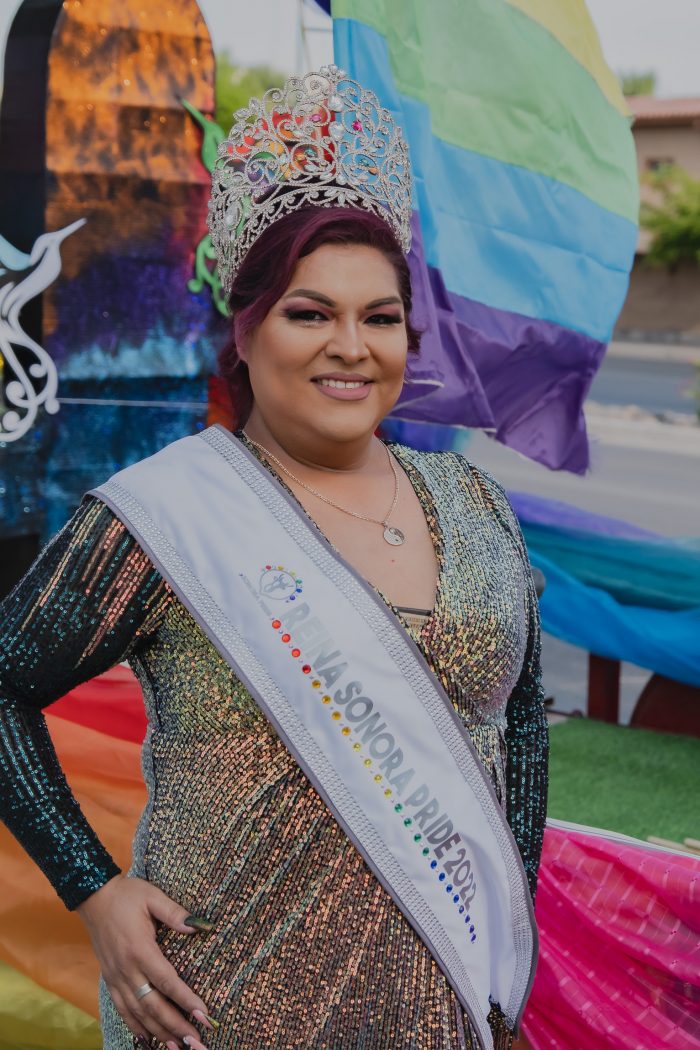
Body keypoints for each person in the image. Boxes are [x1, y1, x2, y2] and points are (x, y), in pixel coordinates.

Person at [0, 67, 548, 1050]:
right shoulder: (166, 516)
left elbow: (515, 731)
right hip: (221, 1012)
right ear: (244, 333)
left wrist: (506, 957)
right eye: (309, 313)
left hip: (446, 1012)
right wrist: (94, 890)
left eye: (379, 318)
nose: (351, 347)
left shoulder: (476, 511)